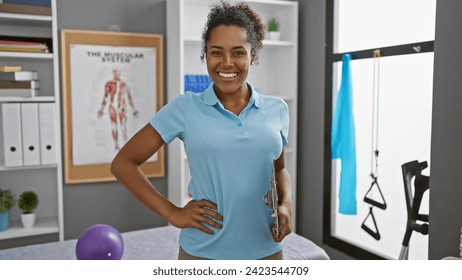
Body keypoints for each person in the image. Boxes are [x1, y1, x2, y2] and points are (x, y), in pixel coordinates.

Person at [110, 0, 292, 260]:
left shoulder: (277, 110)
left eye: (238, 52)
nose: (227, 63)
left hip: (267, 251)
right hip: (203, 254)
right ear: (205, 55)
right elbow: (123, 163)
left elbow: (279, 169)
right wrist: (172, 213)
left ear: (253, 54)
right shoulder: (186, 107)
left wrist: (287, 205)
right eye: (216, 52)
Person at [97, 68, 139, 150]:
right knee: (114, 126)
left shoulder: (124, 84)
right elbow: (105, 97)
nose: (117, 73)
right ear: (113, 73)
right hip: (112, 106)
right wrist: (102, 109)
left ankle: (125, 145)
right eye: (115, 72)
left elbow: (129, 97)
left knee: (123, 126)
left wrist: (133, 110)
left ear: (119, 73)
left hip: (121, 107)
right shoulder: (109, 83)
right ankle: (116, 144)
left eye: (118, 72)